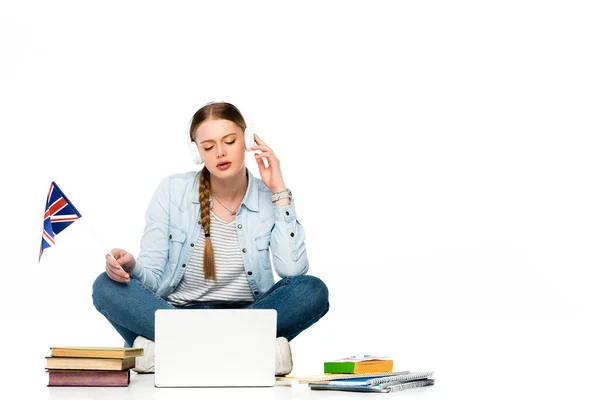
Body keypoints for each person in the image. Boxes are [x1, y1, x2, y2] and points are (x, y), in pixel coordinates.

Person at [91, 101, 330, 376]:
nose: (220, 152)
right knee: (105, 286)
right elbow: (154, 281)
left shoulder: (268, 197)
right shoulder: (172, 191)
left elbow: (293, 272)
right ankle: (250, 353)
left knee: (312, 290)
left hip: (247, 316)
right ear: (196, 153)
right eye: (208, 147)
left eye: (229, 141)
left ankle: (168, 353)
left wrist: (280, 192)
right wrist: (131, 267)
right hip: (174, 316)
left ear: (247, 139)